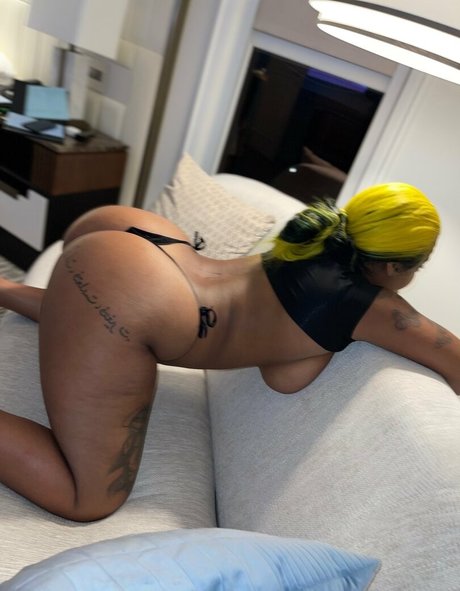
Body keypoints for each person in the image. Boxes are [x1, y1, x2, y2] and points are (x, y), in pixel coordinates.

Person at [0, 181, 458, 522]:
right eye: (418, 267)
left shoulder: (319, 238)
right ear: (394, 266)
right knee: (87, 499)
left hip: (142, 240)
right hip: (127, 292)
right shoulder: (377, 309)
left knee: (98, 314)